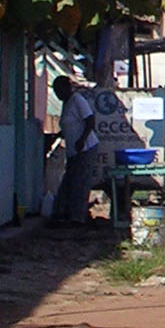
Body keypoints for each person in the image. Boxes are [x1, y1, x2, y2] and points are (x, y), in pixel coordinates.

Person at [51, 76, 99, 225]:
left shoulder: (77, 100)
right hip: (73, 151)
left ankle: (77, 218)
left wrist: (82, 139)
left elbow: (90, 120)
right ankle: (62, 213)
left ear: (67, 88)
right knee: (68, 182)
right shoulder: (66, 104)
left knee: (80, 182)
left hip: (85, 147)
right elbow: (69, 126)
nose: (58, 94)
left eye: (59, 91)